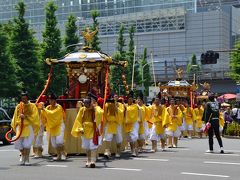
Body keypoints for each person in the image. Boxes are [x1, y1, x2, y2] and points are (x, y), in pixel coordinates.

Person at [71, 97, 103, 168]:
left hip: (93, 129)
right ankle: (88, 160)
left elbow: (100, 113)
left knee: (93, 146)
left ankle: (93, 161)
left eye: (87, 103)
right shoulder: (82, 110)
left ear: (90, 103)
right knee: (87, 147)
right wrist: (80, 128)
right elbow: (78, 119)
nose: (86, 105)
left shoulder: (96, 108)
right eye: (85, 103)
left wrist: (94, 109)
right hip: (85, 130)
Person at [11, 91, 40, 165]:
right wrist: (13, 126)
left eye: (25, 98)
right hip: (19, 127)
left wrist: (26, 116)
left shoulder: (32, 106)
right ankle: (23, 155)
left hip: (28, 126)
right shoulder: (18, 106)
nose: (23, 100)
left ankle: (26, 159)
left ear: (27, 98)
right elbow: (15, 117)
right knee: (19, 144)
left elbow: (35, 117)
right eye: (22, 98)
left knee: (27, 145)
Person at [41, 93, 67, 160]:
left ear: (55, 100)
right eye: (49, 100)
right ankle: (59, 155)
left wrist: (44, 109)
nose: (50, 101)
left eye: (51, 100)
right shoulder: (48, 107)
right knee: (54, 144)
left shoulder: (58, 107)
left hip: (59, 126)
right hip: (52, 127)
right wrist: (40, 108)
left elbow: (52, 114)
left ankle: (63, 153)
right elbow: (44, 116)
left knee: (59, 142)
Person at [103, 94, 124, 158]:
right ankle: (107, 151)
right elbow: (104, 113)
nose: (115, 98)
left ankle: (118, 151)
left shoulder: (120, 105)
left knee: (118, 138)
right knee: (108, 137)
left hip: (117, 123)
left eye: (116, 97)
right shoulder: (107, 104)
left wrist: (116, 108)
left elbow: (121, 112)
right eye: (113, 97)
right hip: (109, 123)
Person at [124, 93, 139, 157]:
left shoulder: (135, 106)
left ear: (132, 99)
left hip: (134, 123)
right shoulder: (125, 106)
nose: (130, 100)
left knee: (134, 137)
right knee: (130, 138)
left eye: (131, 99)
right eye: (128, 99)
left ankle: (135, 150)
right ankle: (132, 150)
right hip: (127, 124)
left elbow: (136, 112)